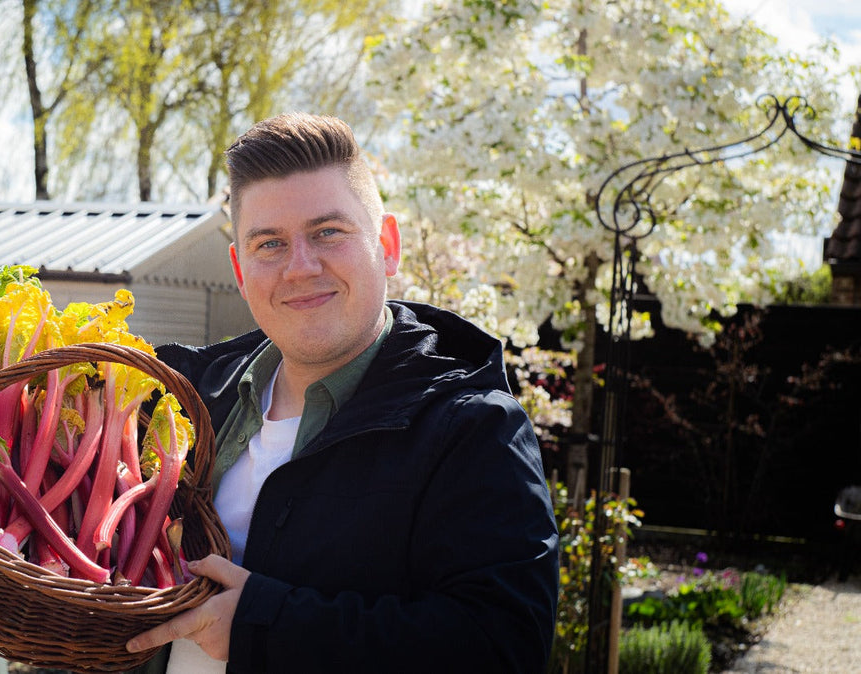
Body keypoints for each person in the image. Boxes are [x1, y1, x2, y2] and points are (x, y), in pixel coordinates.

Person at [126, 112, 559, 672]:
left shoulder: (472, 430)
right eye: (269, 244)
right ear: (239, 269)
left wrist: (266, 627)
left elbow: (502, 648)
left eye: (327, 232)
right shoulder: (182, 403)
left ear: (387, 245)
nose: (300, 268)